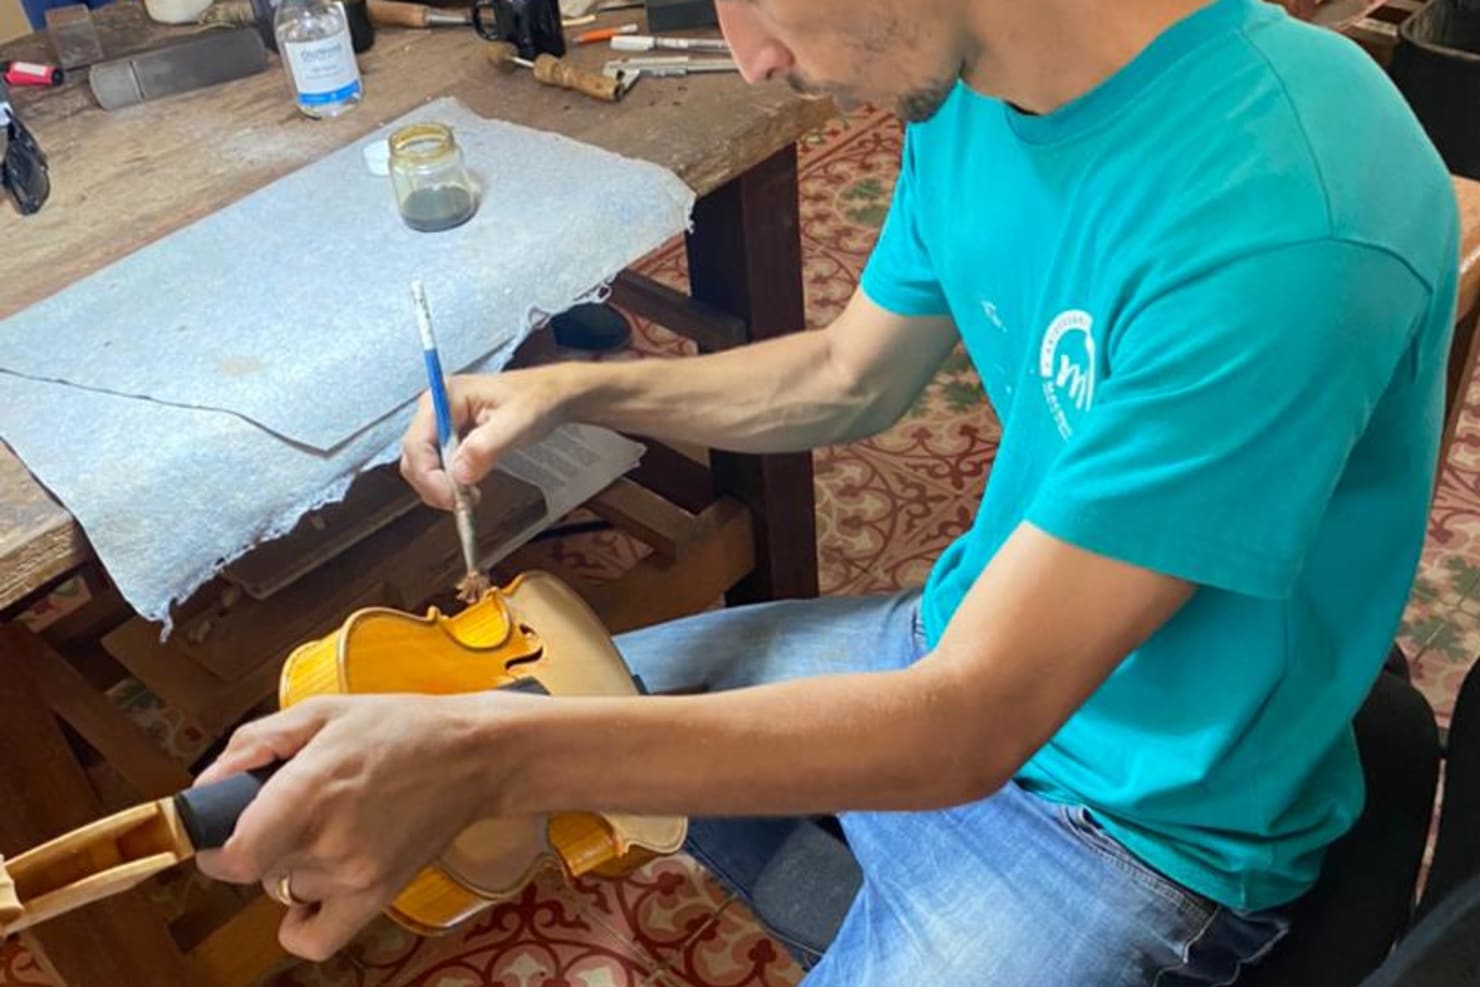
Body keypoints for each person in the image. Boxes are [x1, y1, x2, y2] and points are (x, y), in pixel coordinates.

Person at [194, 0, 1463, 982]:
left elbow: (970, 727)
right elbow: (848, 375)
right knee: (563, 697)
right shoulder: (973, 86)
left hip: (1140, 827)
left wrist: (482, 763)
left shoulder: (1279, 222)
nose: (744, 56)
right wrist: (572, 395)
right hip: (953, 646)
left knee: (529, 734)